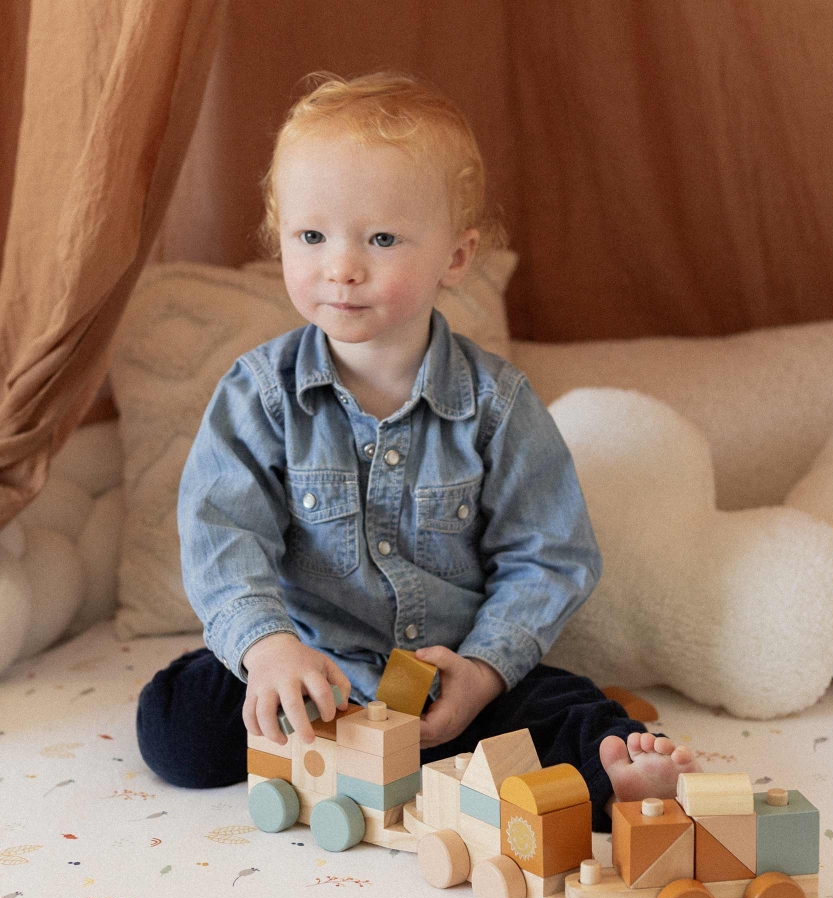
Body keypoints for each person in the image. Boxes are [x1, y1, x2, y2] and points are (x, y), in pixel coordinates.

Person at [136, 70, 699, 831]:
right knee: (172, 727)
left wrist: (484, 669)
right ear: (281, 242)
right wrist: (266, 649)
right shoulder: (258, 395)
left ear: (456, 258)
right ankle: (357, 731)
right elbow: (220, 533)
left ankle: (619, 768)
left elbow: (551, 554)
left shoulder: (497, 406)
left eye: (381, 239)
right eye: (311, 236)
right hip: (314, 668)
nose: (342, 266)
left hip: (445, 678)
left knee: (559, 711)